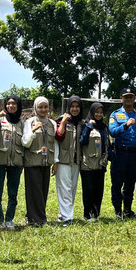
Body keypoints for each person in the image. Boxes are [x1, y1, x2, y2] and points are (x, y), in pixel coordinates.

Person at [108, 88, 136, 219]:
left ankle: (127, 210)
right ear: (121, 99)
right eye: (126, 97)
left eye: (131, 97)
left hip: (134, 154)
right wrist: (125, 125)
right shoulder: (115, 115)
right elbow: (112, 132)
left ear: (134, 99)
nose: (129, 99)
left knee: (130, 183)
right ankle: (117, 211)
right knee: (117, 182)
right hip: (120, 152)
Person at [0, 95, 24, 230]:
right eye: (8, 104)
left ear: (18, 106)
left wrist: (22, 162)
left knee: (12, 193)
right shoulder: (0, 120)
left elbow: (24, 144)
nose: (11, 106)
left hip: (16, 163)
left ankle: (9, 220)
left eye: (14, 104)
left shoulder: (22, 124)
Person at [22, 96, 58, 226]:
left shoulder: (52, 124)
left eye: (45, 107)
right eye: (40, 107)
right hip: (32, 161)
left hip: (46, 162)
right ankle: (34, 218)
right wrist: (33, 130)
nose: (43, 109)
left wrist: (55, 162)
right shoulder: (29, 122)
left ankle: (40, 217)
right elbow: (25, 142)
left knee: (43, 191)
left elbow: (55, 144)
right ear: (35, 108)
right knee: (33, 191)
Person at [55, 96, 83, 227]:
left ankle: (63, 213)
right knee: (64, 188)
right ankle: (68, 217)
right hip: (63, 159)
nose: (75, 109)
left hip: (76, 160)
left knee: (72, 188)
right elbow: (59, 136)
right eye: (72, 106)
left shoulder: (82, 122)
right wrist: (64, 122)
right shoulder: (61, 120)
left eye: (77, 107)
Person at [79, 102, 109, 221]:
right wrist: (89, 127)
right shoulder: (85, 125)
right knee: (88, 190)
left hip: (100, 164)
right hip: (88, 164)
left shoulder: (104, 127)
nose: (99, 114)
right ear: (92, 112)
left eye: (101, 112)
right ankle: (87, 214)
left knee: (99, 190)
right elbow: (82, 141)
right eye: (96, 112)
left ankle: (96, 214)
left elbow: (107, 143)